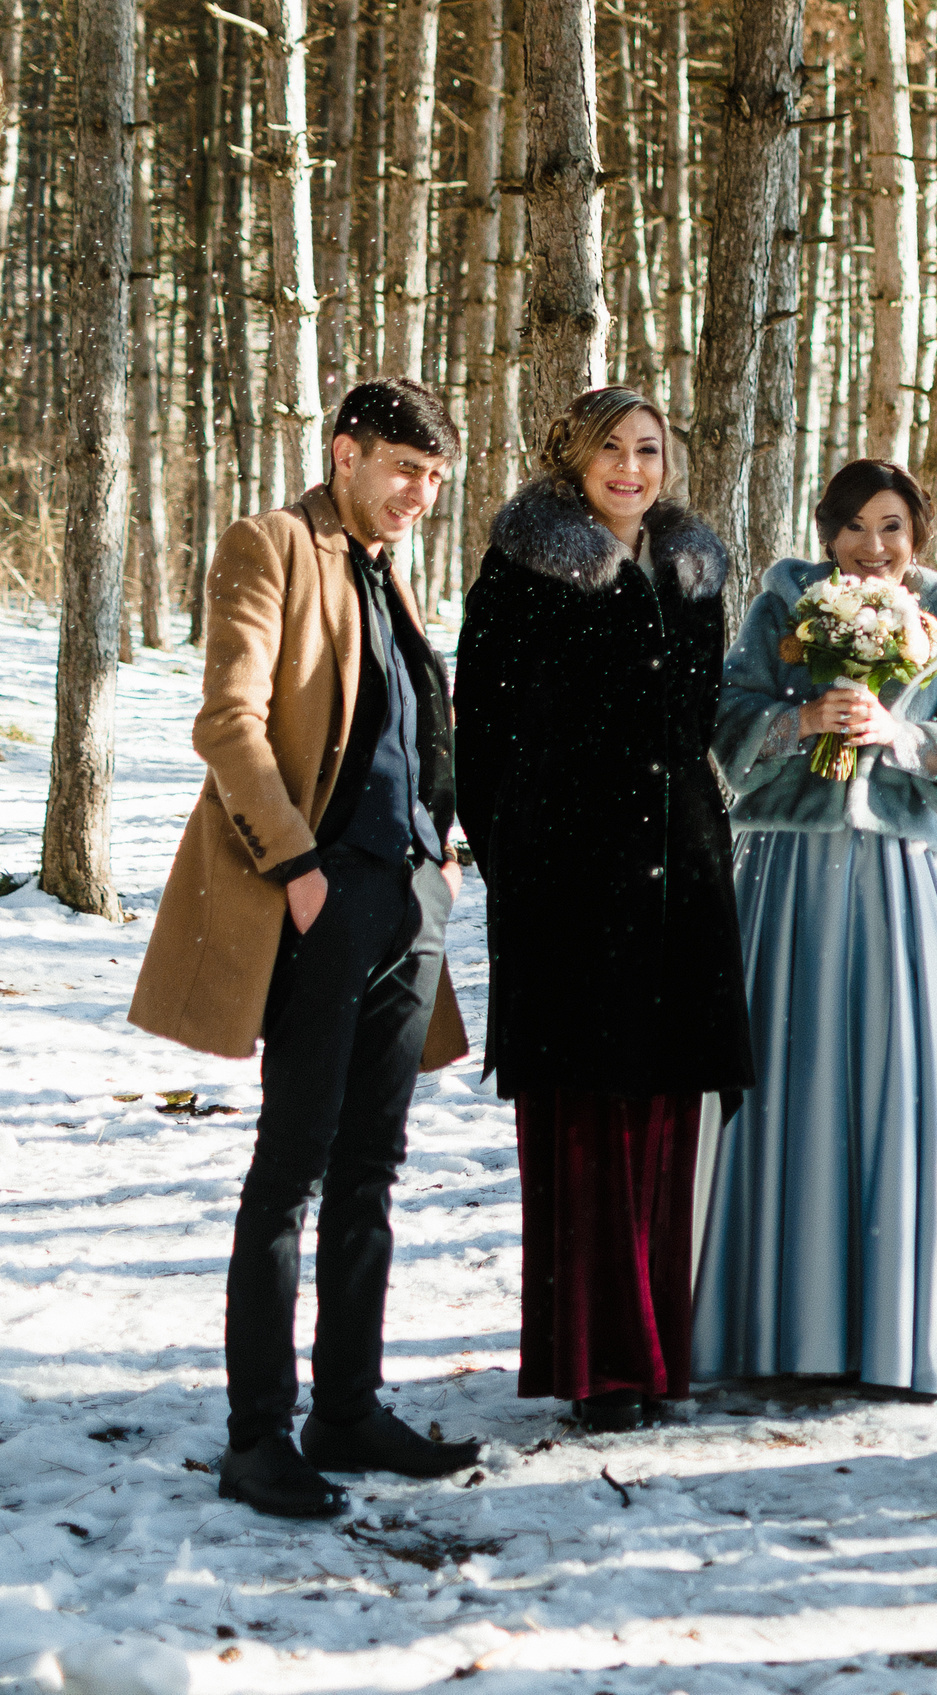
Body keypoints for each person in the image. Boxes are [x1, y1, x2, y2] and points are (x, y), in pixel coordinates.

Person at [128, 378, 480, 1518]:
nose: (419, 495)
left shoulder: (389, 571)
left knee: (374, 1171)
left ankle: (347, 1409)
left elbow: (401, 722)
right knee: (292, 1171)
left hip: (408, 896)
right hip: (317, 900)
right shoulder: (272, 544)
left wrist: (443, 843)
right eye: (403, 471)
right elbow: (227, 720)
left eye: (434, 479)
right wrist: (296, 868)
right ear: (346, 452)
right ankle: (255, 1438)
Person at [692, 460, 937, 1393]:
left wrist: (904, 737)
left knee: (893, 1077)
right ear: (825, 530)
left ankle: (899, 1316)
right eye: (851, 527)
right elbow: (725, 725)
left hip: (888, 876)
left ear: (918, 530)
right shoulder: (782, 607)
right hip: (784, 875)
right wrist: (801, 720)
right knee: (784, 1078)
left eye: (890, 526)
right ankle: (776, 1318)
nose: (870, 547)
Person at [455, 386, 756, 1434]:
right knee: (586, 1122)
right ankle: (597, 1365)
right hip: (568, 882)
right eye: (611, 451)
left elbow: (706, 719)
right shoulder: (523, 567)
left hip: (681, 873)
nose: (632, 469)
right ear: (571, 460)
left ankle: (659, 1357)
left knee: (666, 1114)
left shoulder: (694, 568)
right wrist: (518, 862)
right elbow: (480, 724)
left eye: (648, 450)